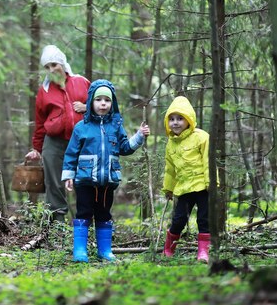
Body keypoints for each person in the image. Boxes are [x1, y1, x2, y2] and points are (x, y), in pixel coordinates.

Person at [62, 80, 150, 262]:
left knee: (104, 214)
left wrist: (139, 136)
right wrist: (69, 175)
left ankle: (104, 250)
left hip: (107, 181)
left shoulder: (115, 126)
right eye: (99, 100)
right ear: (90, 103)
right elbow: (71, 153)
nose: (103, 103)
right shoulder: (81, 128)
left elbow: (125, 147)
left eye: (107, 100)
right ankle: (80, 251)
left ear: (112, 104)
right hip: (85, 181)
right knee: (83, 213)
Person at [25, 45, 90, 222]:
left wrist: (86, 107)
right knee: (54, 183)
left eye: (54, 64)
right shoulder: (44, 91)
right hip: (54, 142)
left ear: (62, 63)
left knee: (83, 182)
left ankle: (85, 224)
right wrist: (37, 148)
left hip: (81, 142)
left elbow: (101, 106)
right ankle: (57, 226)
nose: (51, 69)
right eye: (47, 67)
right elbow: (40, 122)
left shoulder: (81, 82)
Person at [161, 96, 211, 262]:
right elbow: (170, 169)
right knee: (178, 219)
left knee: (204, 219)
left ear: (189, 119)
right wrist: (168, 188)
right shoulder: (171, 144)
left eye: (180, 118)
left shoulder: (201, 137)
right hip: (183, 188)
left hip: (202, 186)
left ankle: (203, 252)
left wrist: (211, 182)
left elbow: (208, 160)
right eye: (172, 119)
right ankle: (168, 249)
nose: (175, 123)